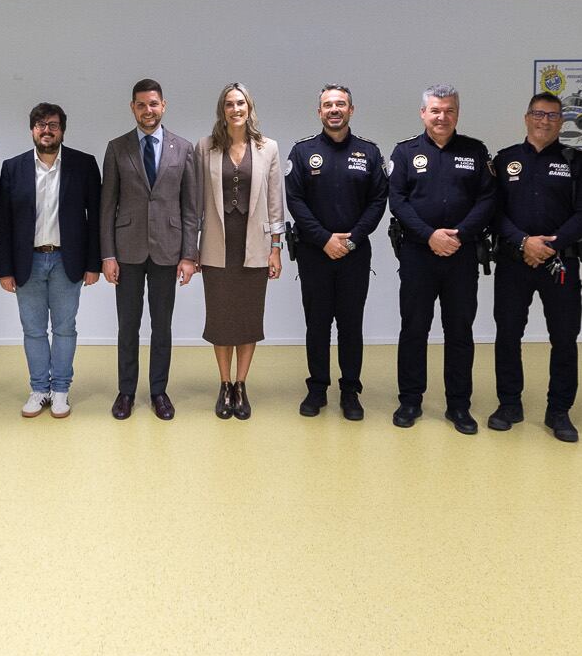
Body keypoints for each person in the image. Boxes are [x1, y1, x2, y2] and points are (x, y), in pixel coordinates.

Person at [489, 91, 582, 443]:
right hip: (513, 260)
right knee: (508, 335)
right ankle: (509, 404)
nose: (544, 121)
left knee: (563, 337)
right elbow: (493, 212)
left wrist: (550, 245)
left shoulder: (577, 162)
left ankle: (559, 410)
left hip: (559, 264)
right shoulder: (505, 160)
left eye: (552, 116)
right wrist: (524, 243)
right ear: (526, 117)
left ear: (561, 122)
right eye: (538, 114)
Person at [388, 84, 494, 431]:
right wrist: (430, 235)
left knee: (459, 330)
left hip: (461, 256)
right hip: (418, 254)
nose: (442, 117)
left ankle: (459, 405)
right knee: (414, 328)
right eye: (435, 110)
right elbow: (398, 201)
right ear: (423, 114)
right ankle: (410, 401)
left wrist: (458, 235)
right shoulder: (405, 153)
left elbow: (487, 200)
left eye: (449, 110)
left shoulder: (475, 151)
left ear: (457, 114)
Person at [100, 78, 201, 421]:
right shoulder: (117, 148)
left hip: (167, 251)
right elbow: (107, 206)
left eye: (153, 104)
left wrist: (189, 255)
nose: (148, 110)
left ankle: (159, 391)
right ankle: (126, 391)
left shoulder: (183, 148)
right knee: (127, 326)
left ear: (164, 105)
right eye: (141, 105)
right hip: (126, 252)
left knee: (162, 326)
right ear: (133, 108)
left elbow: (191, 208)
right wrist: (107, 255)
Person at [285, 84, 387, 421]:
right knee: (317, 324)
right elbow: (295, 201)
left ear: (351, 110)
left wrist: (352, 239)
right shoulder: (302, 152)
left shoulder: (369, 153)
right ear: (319, 112)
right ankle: (317, 388)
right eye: (328, 104)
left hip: (355, 255)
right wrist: (324, 239)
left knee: (350, 324)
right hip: (315, 253)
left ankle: (350, 391)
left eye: (340, 104)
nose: (334, 109)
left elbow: (377, 202)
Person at [0, 102, 102, 418]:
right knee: (34, 330)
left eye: (53, 124)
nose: (46, 130)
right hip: (27, 261)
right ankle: (39, 389)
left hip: (67, 261)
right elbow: (4, 222)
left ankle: (61, 390)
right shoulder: (13, 168)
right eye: (40, 124)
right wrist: (5, 268)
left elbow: (94, 218)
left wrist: (93, 263)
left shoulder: (83, 165)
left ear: (62, 130)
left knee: (65, 329)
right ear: (32, 130)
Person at [194, 84, 282, 419]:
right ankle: (224, 383)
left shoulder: (268, 148)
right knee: (220, 318)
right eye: (229, 104)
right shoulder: (206, 147)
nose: (235, 109)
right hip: (217, 245)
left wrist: (276, 249)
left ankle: (241, 385)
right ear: (222, 110)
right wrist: (193, 248)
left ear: (249, 107)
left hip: (254, 247)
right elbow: (196, 202)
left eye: (240, 103)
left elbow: (275, 203)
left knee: (247, 318)